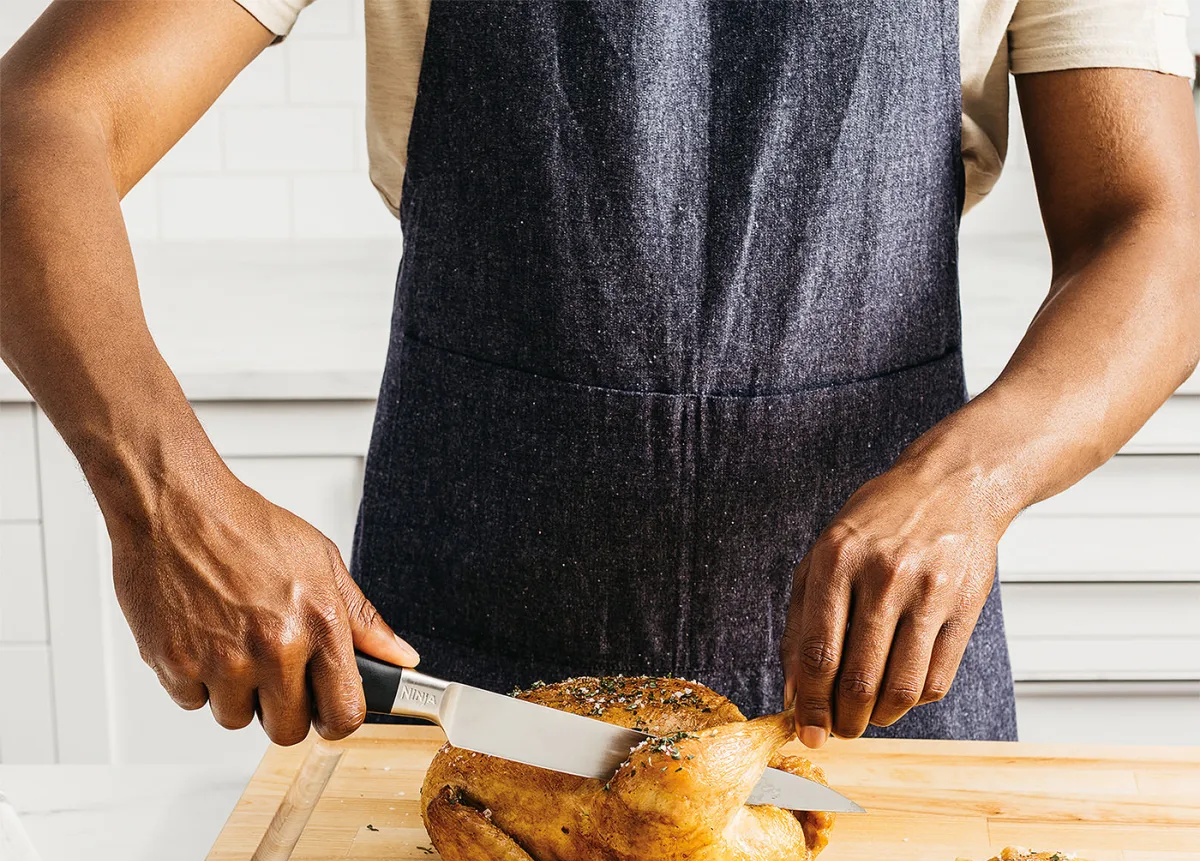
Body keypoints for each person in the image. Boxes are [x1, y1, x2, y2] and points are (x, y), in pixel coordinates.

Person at [2, 1, 1198, 753]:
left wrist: (974, 483)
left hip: (875, 676)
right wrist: (164, 501)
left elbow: (1158, 231)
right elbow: (38, 123)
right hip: (456, 687)